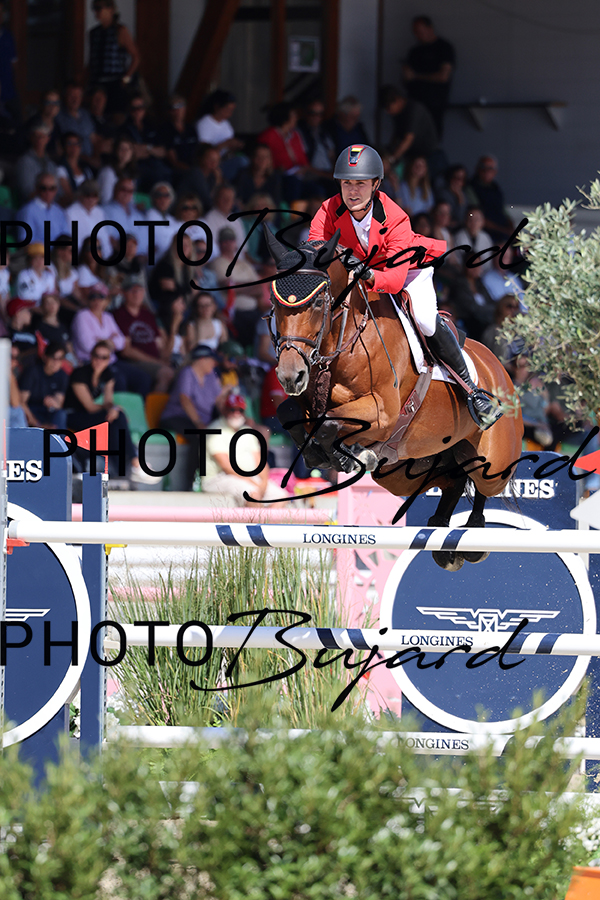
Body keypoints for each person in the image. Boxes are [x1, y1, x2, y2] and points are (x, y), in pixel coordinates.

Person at [308, 144, 498, 428]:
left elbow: (394, 281)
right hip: (358, 273)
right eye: (347, 183)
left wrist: (366, 274)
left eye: (360, 183)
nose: (352, 191)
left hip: (407, 272)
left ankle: (472, 390)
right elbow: (315, 252)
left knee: (424, 319)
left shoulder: (395, 217)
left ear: (376, 184)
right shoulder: (328, 209)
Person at [65, 339, 156, 483]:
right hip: (72, 415)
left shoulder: (108, 374)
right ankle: (135, 463)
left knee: (115, 420)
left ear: (109, 359)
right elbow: (89, 407)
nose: (99, 360)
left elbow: (107, 401)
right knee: (117, 418)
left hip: (92, 416)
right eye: (96, 356)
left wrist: (113, 408)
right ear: (91, 356)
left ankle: (119, 472)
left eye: (104, 357)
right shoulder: (79, 374)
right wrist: (113, 409)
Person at [203, 390, 290, 506]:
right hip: (219, 478)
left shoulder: (247, 431)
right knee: (253, 495)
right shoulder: (214, 430)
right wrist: (253, 483)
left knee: (281, 496)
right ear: (224, 410)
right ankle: (257, 518)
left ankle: (265, 518)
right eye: (232, 409)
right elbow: (227, 467)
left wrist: (264, 483)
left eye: (240, 410)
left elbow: (261, 462)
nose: (236, 413)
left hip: (248, 478)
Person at [113, 273, 174, 391]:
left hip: (156, 361)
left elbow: (160, 345)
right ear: (124, 293)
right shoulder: (119, 315)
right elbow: (127, 351)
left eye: (139, 290)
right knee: (166, 374)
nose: (136, 294)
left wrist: (165, 360)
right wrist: (157, 362)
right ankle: (149, 403)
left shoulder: (148, 315)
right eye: (132, 290)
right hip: (133, 362)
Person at [403, 15, 455, 138]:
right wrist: (407, 75)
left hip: (434, 102)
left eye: (420, 31)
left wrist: (416, 76)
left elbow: (443, 76)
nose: (418, 35)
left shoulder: (443, 48)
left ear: (430, 28)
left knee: (431, 137)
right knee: (412, 136)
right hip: (415, 102)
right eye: (415, 32)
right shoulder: (415, 51)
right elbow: (407, 77)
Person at [159, 343, 229, 434]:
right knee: (200, 436)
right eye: (212, 360)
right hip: (178, 417)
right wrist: (199, 423)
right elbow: (185, 399)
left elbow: (218, 400)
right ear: (202, 359)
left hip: (203, 422)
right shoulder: (187, 372)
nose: (214, 364)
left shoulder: (211, 376)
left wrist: (231, 418)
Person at [88, 0, 140, 117]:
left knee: (117, 116)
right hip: (97, 82)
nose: (97, 12)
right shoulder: (93, 33)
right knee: (97, 115)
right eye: (94, 9)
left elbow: (135, 57)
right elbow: (92, 60)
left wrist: (126, 78)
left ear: (110, 9)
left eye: (99, 8)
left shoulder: (120, 31)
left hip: (115, 82)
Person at [19, 341, 69, 429]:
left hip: (48, 412)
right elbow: (21, 402)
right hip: (31, 410)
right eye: (53, 358)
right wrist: (37, 424)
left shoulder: (62, 375)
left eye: (60, 359)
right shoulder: (32, 372)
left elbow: (59, 403)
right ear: (45, 357)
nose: (56, 362)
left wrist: (54, 402)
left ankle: (60, 438)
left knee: (61, 414)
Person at [467, 155, 514, 242]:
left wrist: (511, 228)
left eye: (490, 168)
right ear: (477, 169)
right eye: (483, 167)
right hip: (485, 232)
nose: (487, 171)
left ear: (495, 171)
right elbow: (477, 216)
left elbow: (503, 211)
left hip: (503, 230)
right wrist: (504, 230)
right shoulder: (471, 187)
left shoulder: (496, 188)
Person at [13, 123, 59, 206]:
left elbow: (58, 192)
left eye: (42, 136)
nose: (39, 139)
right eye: (36, 136)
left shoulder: (51, 164)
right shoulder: (24, 162)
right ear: (31, 138)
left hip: (51, 207)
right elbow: (27, 192)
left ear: (48, 139)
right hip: (31, 206)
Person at [17, 173, 69, 244]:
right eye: (43, 188)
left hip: (59, 250)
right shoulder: (28, 211)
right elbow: (25, 241)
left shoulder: (59, 211)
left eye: (52, 188)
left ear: (56, 190)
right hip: (38, 250)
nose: (48, 192)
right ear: (37, 188)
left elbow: (66, 237)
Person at [55, 83, 96, 159]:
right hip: (71, 160)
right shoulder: (58, 116)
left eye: (78, 96)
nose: (75, 99)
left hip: (90, 159)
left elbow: (93, 138)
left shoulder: (85, 114)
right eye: (71, 96)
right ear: (65, 96)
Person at [56, 132, 94, 207]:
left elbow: (92, 190)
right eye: (70, 143)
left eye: (77, 144)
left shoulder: (86, 170)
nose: (74, 147)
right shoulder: (60, 169)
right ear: (64, 147)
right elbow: (68, 195)